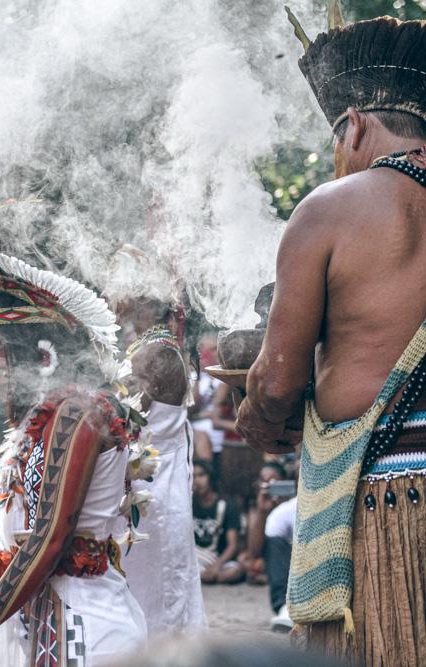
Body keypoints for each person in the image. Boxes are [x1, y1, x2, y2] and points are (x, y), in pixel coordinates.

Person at [235, 10, 426, 665]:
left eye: (334, 141)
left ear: (355, 125)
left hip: (385, 507)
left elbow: (279, 378)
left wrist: (258, 414)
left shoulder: (328, 208)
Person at [0, 244, 147, 666]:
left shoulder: (77, 413)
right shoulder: (54, 414)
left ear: (43, 355)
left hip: (83, 625)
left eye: (6, 352)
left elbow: (51, 537)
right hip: (43, 618)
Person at [118, 299, 208, 636]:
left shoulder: (155, 352)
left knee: (158, 592)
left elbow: (122, 419)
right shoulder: (153, 347)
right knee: (151, 587)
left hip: (153, 490)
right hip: (154, 485)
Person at [238, 462, 296, 632]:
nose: (269, 486)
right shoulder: (261, 509)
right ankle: (284, 608)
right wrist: (262, 511)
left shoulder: (294, 505)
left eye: (274, 481)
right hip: (280, 569)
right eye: (264, 482)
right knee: (257, 559)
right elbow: (254, 553)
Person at [192, 460, 245, 585]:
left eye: (201, 475)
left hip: (219, 559)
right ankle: (202, 577)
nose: (197, 481)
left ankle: (202, 577)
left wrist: (216, 566)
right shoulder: (188, 503)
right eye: (193, 476)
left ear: (210, 478)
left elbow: (232, 545)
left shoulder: (227, 505)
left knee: (235, 571)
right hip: (195, 557)